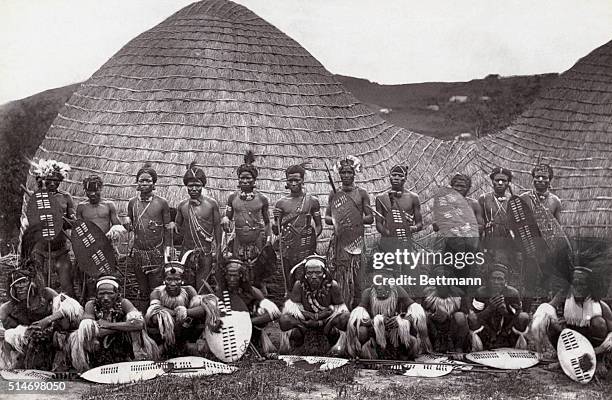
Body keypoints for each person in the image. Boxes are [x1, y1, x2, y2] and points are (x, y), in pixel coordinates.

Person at [0, 259, 83, 370]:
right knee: (7, 339)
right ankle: (11, 367)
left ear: (31, 283)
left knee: (64, 327)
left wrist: (47, 320)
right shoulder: (8, 307)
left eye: (23, 284)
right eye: (17, 286)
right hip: (28, 341)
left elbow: (71, 308)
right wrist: (20, 333)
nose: (20, 289)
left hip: (52, 336)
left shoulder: (46, 293)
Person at [70, 276, 159, 372]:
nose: (105, 298)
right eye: (101, 294)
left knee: (135, 333)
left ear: (117, 293)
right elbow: (89, 331)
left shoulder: (124, 303)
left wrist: (108, 325)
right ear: (96, 294)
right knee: (82, 336)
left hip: (121, 342)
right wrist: (124, 326)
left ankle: (137, 359)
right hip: (99, 344)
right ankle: (90, 365)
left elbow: (138, 324)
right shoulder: (91, 305)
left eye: (110, 294)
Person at [531, 252, 612, 358]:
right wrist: (540, 318)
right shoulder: (566, 295)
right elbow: (548, 307)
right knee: (550, 320)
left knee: (599, 322)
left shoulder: (601, 306)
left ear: (590, 286)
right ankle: (563, 354)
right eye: (575, 283)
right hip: (571, 338)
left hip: (592, 345)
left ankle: (594, 357)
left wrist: (604, 346)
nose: (577, 287)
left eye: (582, 284)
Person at [346, 268, 430, 359]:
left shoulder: (397, 290)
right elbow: (356, 320)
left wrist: (401, 320)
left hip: (395, 332)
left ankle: (400, 352)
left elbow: (417, 313)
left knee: (412, 341)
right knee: (362, 331)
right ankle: (364, 353)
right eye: (377, 283)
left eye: (383, 283)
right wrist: (376, 321)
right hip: (375, 333)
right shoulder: (368, 292)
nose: (379, 287)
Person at [221, 151, 273, 291]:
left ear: (254, 180)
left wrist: (268, 241)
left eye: (248, 178)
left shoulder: (262, 199)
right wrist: (225, 218)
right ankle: (240, 299)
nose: (245, 181)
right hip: (239, 240)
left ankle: (260, 301)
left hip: (256, 240)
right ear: (238, 179)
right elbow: (228, 216)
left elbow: (267, 222)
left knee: (257, 272)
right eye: (242, 178)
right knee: (239, 270)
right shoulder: (232, 198)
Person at [325, 155, 373, 307]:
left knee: (357, 277)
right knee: (341, 275)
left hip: (356, 240)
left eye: (349, 172)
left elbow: (370, 217)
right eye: (343, 173)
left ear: (354, 174)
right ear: (339, 175)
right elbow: (327, 217)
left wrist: (353, 220)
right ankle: (342, 308)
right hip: (340, 242)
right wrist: (338, 221)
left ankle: (358, 308)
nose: (346, 175)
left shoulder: (362, 193)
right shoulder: (334, 193)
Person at [279, 255, 350, 355]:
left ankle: (335, 344)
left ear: (324, 273)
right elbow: (293, 309)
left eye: (317, 272)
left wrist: (323, 318)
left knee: (346, 317)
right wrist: (310, 317)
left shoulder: (333, 285)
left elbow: (340, 309)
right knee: (284, 319)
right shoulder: (299, 285)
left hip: (327, 321)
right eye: (310, 273)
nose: (313, 276)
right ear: (305, 274)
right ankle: (299, 341)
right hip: (305, 321)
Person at [145, 264, 220, 356]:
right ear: (164, 281)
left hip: (187, 330)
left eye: (177, 280)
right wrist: (176, 314)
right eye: (169, 279)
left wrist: (186, 312)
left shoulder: (189, 290)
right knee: (159, 316)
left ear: (182, 281)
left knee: (206, 305)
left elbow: (203, 309)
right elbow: (154, 313)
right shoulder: (156, 293)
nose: (173, 283)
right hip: (165, 333)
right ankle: (168, 346)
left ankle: (186, 346)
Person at [27, 159, 77, 297]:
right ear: (43, 180)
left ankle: (70, 314)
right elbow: (31, 223)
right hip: (40, 249)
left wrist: (61, 220)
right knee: (40, 287)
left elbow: (72, 222)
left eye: (56, 180)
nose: (53, 183)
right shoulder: (37, 197)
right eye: (49, 180)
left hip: (60, 249)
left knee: (67, 287)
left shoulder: (66, 197)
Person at [272, 163, 322, 292]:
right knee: (289, 280)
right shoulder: (281, 203)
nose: (293, 183)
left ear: (303, 180)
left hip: (306, 249)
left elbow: (319, 225)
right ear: (287, 182)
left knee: (307, 279)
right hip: (288, 249)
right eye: (290, 180)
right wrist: (276, 220)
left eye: (297, 180)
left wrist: (311, 239)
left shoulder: (312, 201)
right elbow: (276, 230)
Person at [76, 175, 126, 299]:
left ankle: (112, 301)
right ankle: (89, 301)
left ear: (101, 189)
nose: (92, 194)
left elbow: (116, 225)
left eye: (95, 190)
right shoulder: (82, 207)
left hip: (106, 247)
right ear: (85, 191)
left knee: (108, 276)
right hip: (88, 248)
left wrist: (112, 235)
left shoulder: (109, 205)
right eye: (89, 191)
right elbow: (78, 228)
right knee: (88, 279)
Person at [127, 163, 173, 297]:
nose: (145, 183)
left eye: (148, 180)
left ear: (154, 183)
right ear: (137, 183)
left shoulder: (162, 203)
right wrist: (127, 224)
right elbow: (130, 225)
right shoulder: (132, 203)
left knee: (156, 288)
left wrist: (168, 251)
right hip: (138, 252)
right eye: (141, 180)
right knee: (143, 289)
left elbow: (167, 229)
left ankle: (156, 312)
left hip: (156, 253)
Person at [218, 259, 281, 356]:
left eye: (234, 276)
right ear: (225, 276)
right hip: (227, 332)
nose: (231, 279)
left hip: (249, 330)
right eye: (229, 275)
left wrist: (248, 322)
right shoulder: (221, 292)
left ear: (241, 276)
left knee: (260, 312)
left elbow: (275, 313)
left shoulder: (252, 292)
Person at [175, 162, 222, 291]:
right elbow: (177, 229)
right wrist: (172, 226)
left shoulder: (211, 204)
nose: (194, 189)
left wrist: (218, 248)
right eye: (191, 186)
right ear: (186, 187)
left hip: (205, 252)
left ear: (203, 186)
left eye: (197, 185)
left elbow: (217, 226)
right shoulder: (182, 206)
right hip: (187, 252)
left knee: (202, 287)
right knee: (186, 287)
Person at [468, 264, 530, 350]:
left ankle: (514, 343)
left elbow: (517, 317)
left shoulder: (512, 294)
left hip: (507, 329)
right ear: (488, 280)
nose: (496, 282)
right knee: (472, 317)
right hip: (486, 329)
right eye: (493, 278)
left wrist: (505, 312)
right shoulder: (481, 293)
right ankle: (480, 343)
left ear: (505, 281)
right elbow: (475, 318)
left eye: (500, 279)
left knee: (524, 317)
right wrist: (489, 309)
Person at [374, 165, 423, 254]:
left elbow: (420, 224)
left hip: (406, 244)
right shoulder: (381, 198)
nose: (396, 178)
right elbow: (378, 224)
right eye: (394, 175)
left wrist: (410, 229)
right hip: (387, 244)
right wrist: (388, 233)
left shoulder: (413, 198)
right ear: (389, 176)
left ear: (406, 178)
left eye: (400, 176)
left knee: (406, 266)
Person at [421, 264, 470, 353]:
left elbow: (465, 314)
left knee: (460, 316)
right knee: (422, 317)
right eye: (439, 276)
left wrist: (448, 316)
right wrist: (432, 316)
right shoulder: (427, 293)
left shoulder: (459, 293)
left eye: (445, 277)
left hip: (452, 328)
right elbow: (420, 311)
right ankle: (430, 346)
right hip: (434, 328)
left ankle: (458, 347)